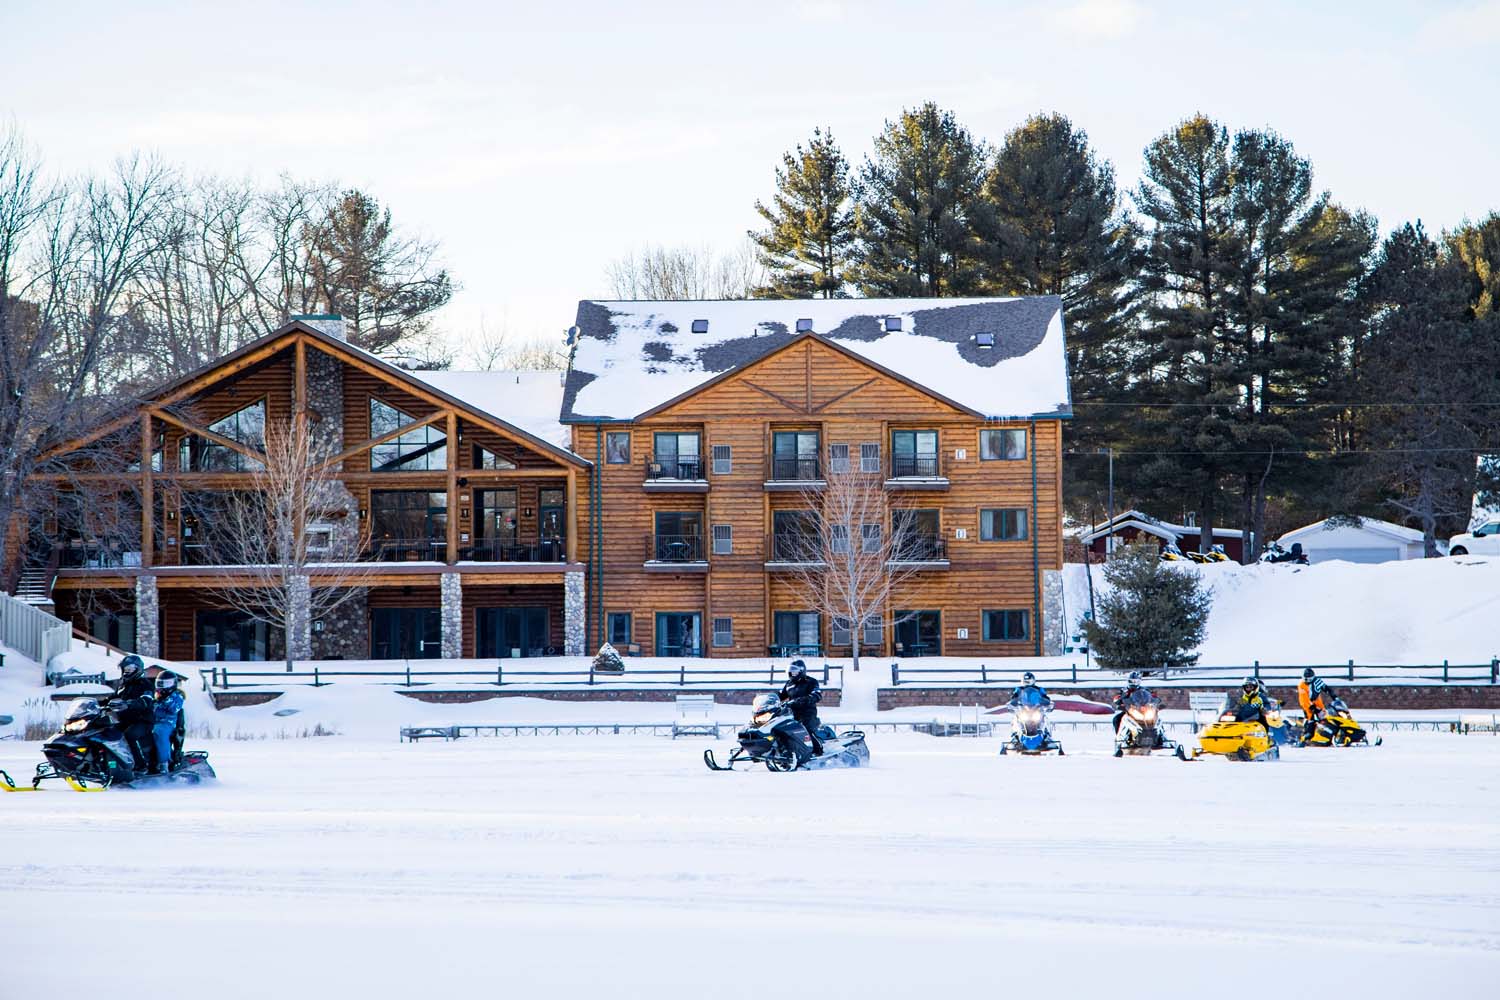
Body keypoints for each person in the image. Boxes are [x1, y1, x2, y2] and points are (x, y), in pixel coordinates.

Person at [112, 655, 156, 769]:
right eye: (125, 669)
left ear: (138, 669)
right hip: (126, 720)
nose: (127, 672)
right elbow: (113, 698)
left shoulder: (145, 684)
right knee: (108, 732)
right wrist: (98, 703)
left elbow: (146, 700)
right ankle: (112, 764)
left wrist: (129, 704)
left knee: (130, 735)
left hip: (143, 720)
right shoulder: (123, 685)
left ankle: (141, 765)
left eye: (130, 669)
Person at [779, 660, 823, 755]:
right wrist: (770, 698)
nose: (792, 673)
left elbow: (817, 695)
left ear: (801, 671)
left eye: (795, 671)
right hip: (792, 713)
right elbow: (781, 695)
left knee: (806, 730)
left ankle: (818, 750)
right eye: (791, 671)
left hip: (807, 712)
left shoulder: (811, 682)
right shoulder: (789, 684)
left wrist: (803, 700)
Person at [150, 673, 186, 774]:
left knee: (159, 732)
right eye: (160, 684)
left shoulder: (177, 696)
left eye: (165, 684)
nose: (162, 687)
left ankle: (164, 764)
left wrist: (165, 698)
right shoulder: (156, 697)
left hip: (168, 723)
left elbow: (173, 708)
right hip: (154, 722)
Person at [1298, 668, 1334, 741]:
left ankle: (1325, 734)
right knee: (1310, 719)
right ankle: (1307, 735)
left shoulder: (1317, 682)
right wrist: (1312, 707)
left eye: (1309, 679)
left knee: (1325, 718)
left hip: (1318, 703)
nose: (1307, 681)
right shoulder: (1301, 685)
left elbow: (1325, 688)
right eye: (1306, 679)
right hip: (1307, 705)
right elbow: (1304, 699)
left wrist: (1333, 696)